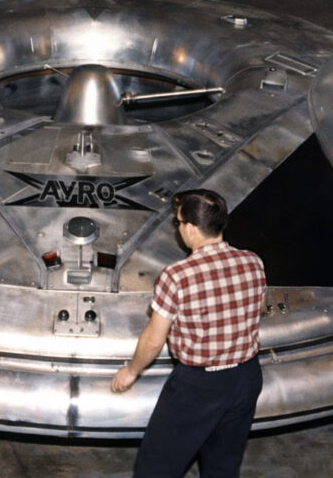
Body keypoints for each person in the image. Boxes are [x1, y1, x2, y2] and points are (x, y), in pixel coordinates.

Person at [111, 189, 267, 478]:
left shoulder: (177, 276)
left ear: (192, 229)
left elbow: (153, 339)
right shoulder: (253, 262)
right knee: (223, 466)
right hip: (246, 378)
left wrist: (131, 371)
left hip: (199, 386)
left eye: (179, 223)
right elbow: (256, 311)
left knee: (156, 467)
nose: (179, 229)